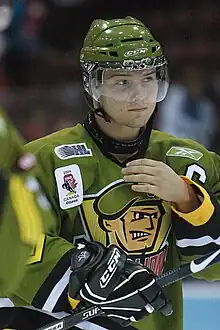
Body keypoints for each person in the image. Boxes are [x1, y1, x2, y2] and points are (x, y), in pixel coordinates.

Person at [3, 17, 220, 330]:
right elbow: (12, 250)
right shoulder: (43, 161)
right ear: (93, 85)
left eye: (148, 79)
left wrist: (188, 200)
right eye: (123, 82)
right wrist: (86, 275)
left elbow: (212, 269)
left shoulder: (190, 162)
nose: (139, 95)